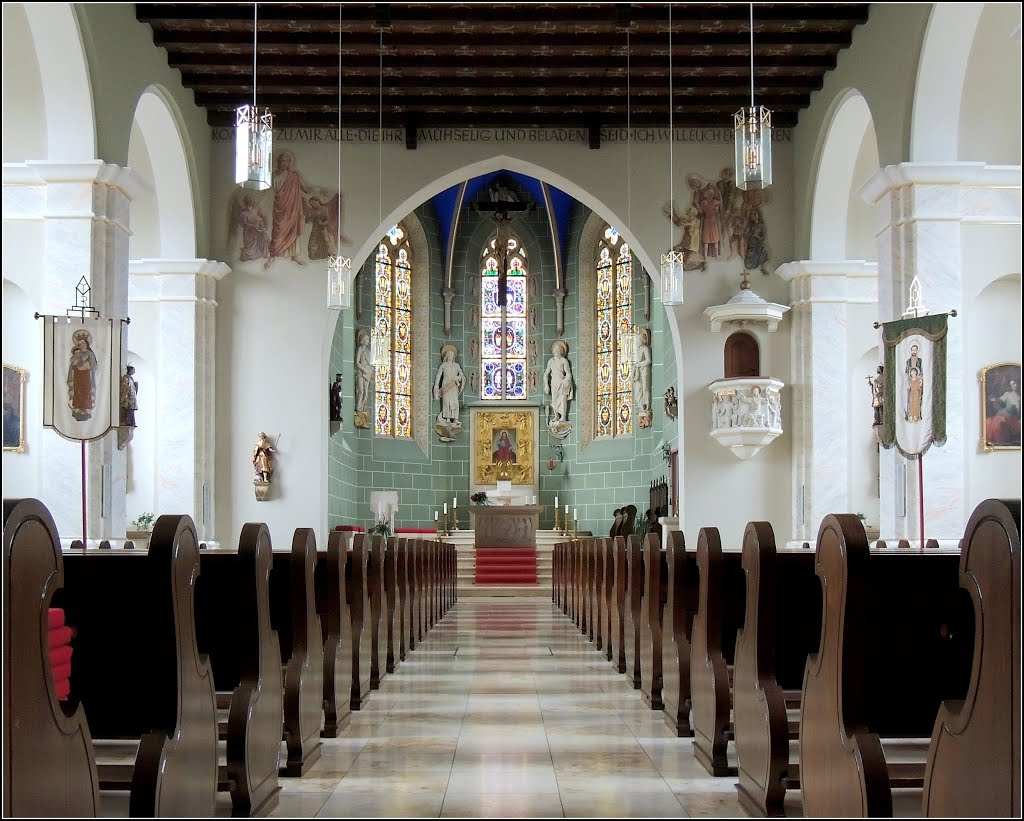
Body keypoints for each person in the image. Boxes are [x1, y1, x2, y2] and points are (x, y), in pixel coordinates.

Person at [266, 150, 312, 269]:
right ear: (278, 162)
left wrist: (317, 190)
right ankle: (273, 255)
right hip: (280, 207)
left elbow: (305, 189)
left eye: (286, 161)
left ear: (289, 163)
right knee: (278, 230)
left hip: (292, 208)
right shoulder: (273, 176)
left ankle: (294, 255)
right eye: (281, 161)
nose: (283, 163)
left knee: (292, 229)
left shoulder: (294, 176)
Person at [67, 328, 98, 421]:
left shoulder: (90, 354)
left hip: (86, 375)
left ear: (87, 343)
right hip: (77, 375)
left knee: (86, 390)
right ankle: (77, 407)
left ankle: (86, 407)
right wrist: (79, 364)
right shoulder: (77, 354)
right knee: (78, 390)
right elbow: (73, 364)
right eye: (79, 344)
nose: (82, 345)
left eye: (83, 343)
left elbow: (93, 366)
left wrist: (86, 366)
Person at [433, 344, 466, 426]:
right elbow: (438, 375)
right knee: (446, 401)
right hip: (446, 385)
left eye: (452, 355)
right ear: (447, 356)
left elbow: (462, 375)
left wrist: (458, 377)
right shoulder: (443, 365)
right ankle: (447, 418)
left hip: (454, 385)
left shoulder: (456, 365)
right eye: (449, 355)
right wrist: (436, 386)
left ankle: (455, 418)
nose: (451, 356)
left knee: (455, 402)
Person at [544, 340, 575, 423]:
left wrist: (567, 380)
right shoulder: (551, 361)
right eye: (555, 350)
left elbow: (568, 373)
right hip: (554, 383)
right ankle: (556, 416)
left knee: (563, 399)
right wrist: (546, 385)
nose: (556, 351)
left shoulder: (564, 361)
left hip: (562, 383)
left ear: (561, 351)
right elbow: (546, 374)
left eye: (558, 350)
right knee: (554, 400)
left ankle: (563, 416)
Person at [235, 192, 270, 262]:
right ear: (246, 201)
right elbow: (241, 224)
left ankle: (265, 253)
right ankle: (246, 254)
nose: (250, 201)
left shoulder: (255, 209)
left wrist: (264, 223)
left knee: (264, 237)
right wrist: (252, 225)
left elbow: (262, 217)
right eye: (248, 199)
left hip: (257, 231)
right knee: (249, 251)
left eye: (251, 199)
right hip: (248, 233)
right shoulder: (243, 213)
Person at [743, 209, 771, 275]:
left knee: (764, 252)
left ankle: (763, 267)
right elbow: (745, 234)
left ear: (758, 215)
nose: (753, 216)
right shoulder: (749, 226)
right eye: (751, 214)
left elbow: (763, 237)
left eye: (755, 214)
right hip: (751, 246)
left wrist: (757, 236)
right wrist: (751, 235)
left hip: (759, 245)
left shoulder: (761, 226)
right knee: (748, 264)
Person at [117, 364, 138, 450]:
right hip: (128, 399)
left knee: (131, 412)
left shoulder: (130, 378)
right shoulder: (126, 378)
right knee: (127, 412)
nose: (134, 371)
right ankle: (126, 422)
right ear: (130, 370)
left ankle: (131, 423)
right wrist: (124, 398)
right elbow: (124, 388)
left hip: (132, 400)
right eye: (133, 370)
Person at [632, 328, 652, 414]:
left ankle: (647, 405)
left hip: (644, 370)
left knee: (645, 387)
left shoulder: (645, 348)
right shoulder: (637, 351)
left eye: (638, 339)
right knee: (639, 388)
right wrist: (633, 371)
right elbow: (634, 363)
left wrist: (639, 365)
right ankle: (641, 406)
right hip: (638, 372)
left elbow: (649, 360)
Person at [354, 328, 374, 415]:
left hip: (367, 374)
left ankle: (363, 408)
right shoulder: (360, 349)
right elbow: (357, 362)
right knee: (361, 390)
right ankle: (358, 408)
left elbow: (371, 363)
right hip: (361, 373)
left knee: (366, 392)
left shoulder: (368, 351)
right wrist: (364, 369)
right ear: (362, 340)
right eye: (366, 339)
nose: (368, 340)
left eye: (368, 339)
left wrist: (370, 370)